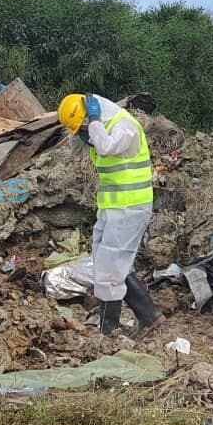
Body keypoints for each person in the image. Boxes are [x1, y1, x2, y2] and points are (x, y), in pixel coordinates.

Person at [58, 92, 164, 335]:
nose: (85, 130)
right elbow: (78, 152)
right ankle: (150, 316)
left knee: (111, 267)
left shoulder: (124, 127)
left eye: (84, 124)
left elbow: (105, 147)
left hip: (131, 206)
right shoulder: (98, 127)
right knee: (106, 262)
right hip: (113, 206)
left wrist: (93, 123)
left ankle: (109, 327)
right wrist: (81, 133)